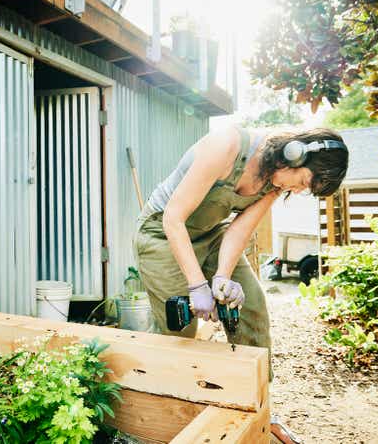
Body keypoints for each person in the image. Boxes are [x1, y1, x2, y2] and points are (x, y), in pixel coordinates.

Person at [132, 126, 348, 353]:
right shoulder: (226, 146)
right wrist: (197, 285)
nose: (296, 191)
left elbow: (238, 231)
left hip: (211, 232)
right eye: (303, 181)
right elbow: (173, 219)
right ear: (294, 155)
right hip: (162, 234)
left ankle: (255, 385)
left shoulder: (276, 183)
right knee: (180, 327)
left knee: (252, 306)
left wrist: (222, 278)